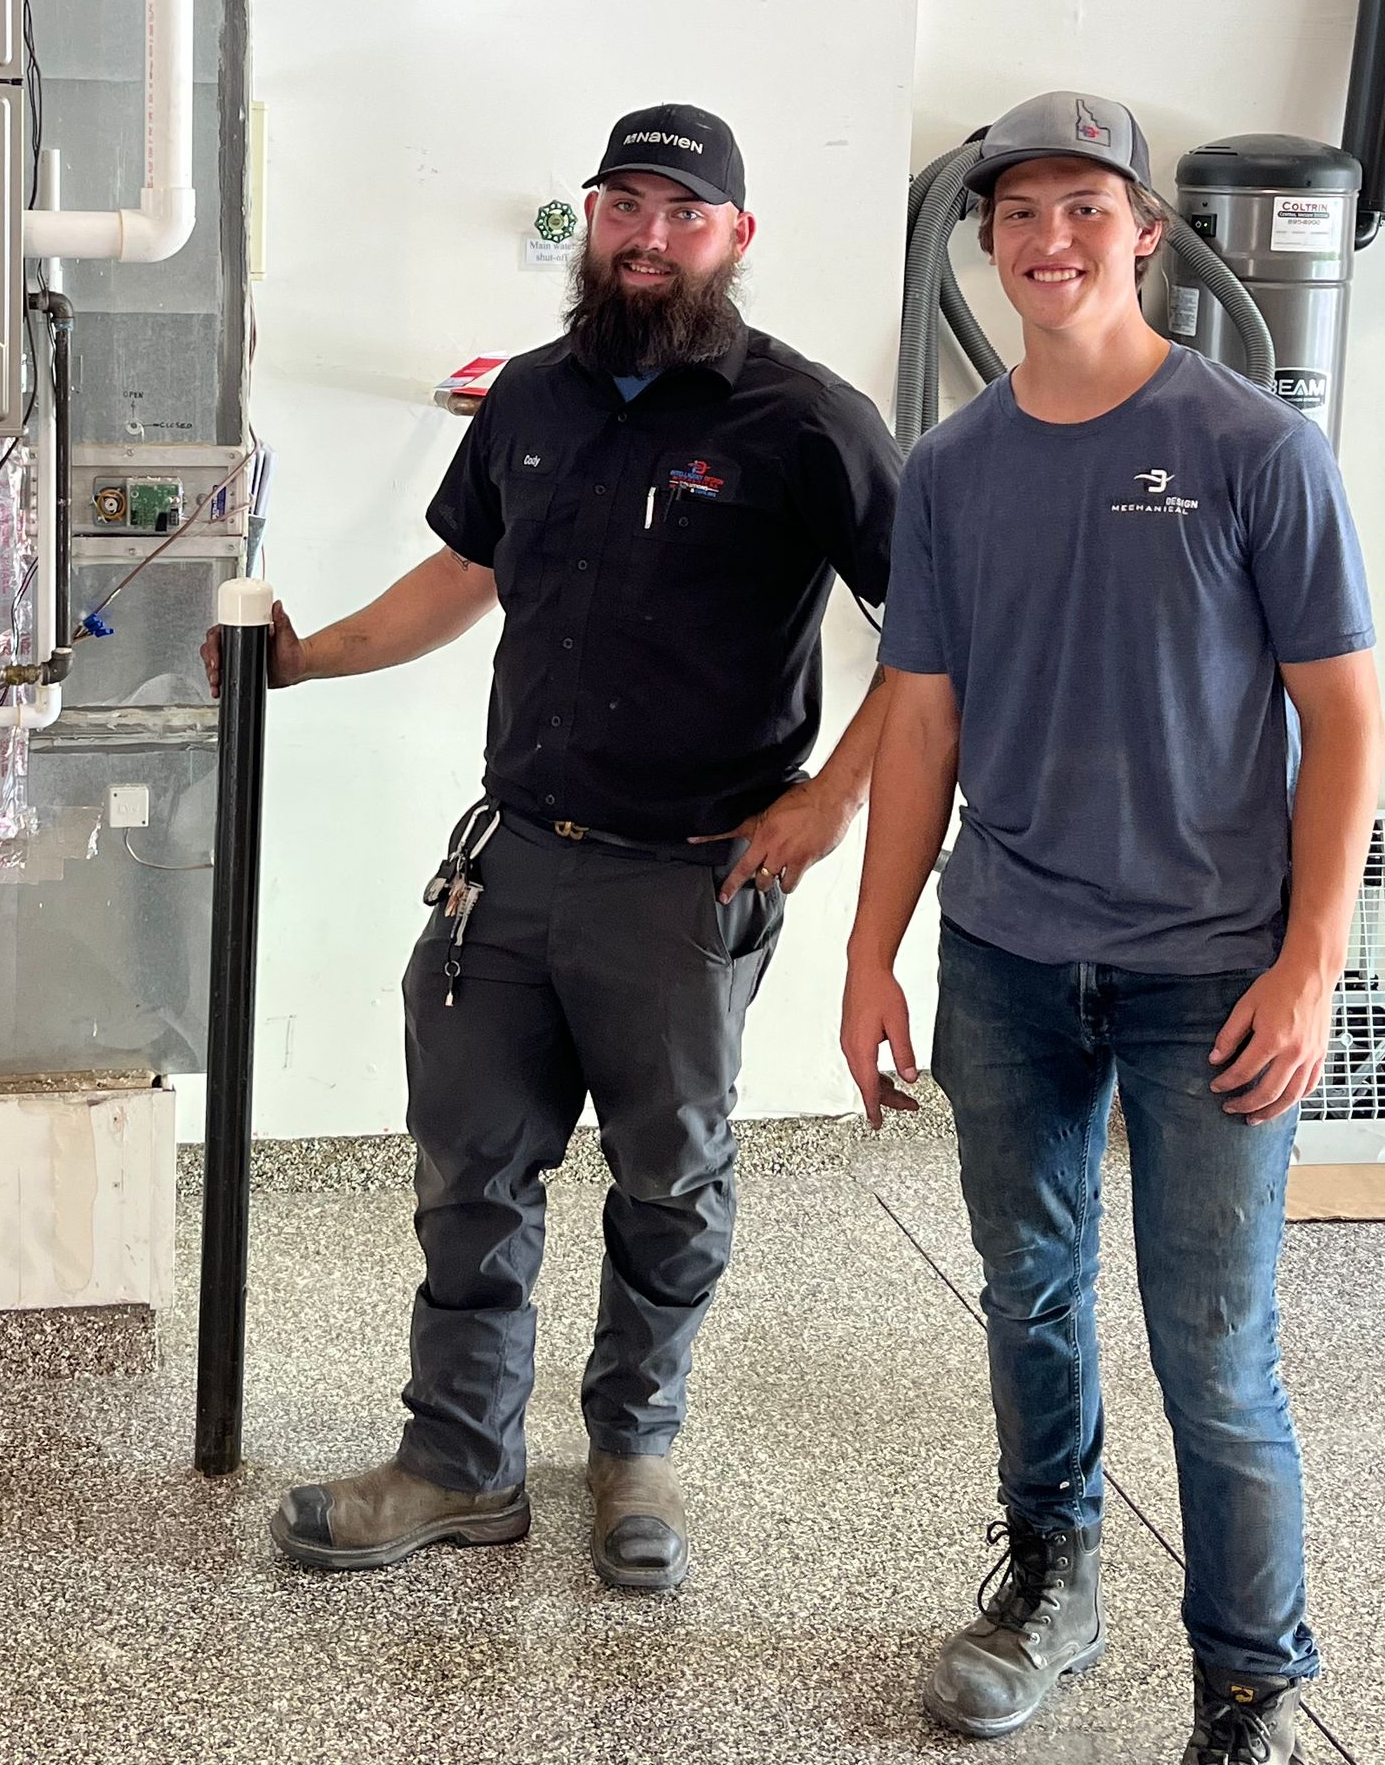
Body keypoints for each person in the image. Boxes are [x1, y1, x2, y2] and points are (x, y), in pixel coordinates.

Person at [205, 101, 900, 1591]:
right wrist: (307, 657)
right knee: (471, 1166)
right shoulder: (532, 397)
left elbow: (940, 648)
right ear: (590, 218)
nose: (647, 237)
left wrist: (828, 799)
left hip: (688, 879)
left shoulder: (807, 421)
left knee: (668, 1178)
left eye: (681, 212)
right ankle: (460, 1462)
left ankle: (633, 1449)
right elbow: (465, 570)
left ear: (736, 237)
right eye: (623, 206)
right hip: (510, 867)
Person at [842, 91, 1380, 1762]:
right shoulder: (949, 470)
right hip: (1006, 957)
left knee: (1215, 1355)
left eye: (1085, 208)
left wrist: (1312, 961)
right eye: (1019, 215)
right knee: (1029, 1291)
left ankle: (1247, 1685)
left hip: (1213, 974)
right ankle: (1051, 1584)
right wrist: (872, 949)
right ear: (986, 240)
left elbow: (1347, 718)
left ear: (1146, 231)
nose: (1050, 240)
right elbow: (917, 721)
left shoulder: (1254, 449)